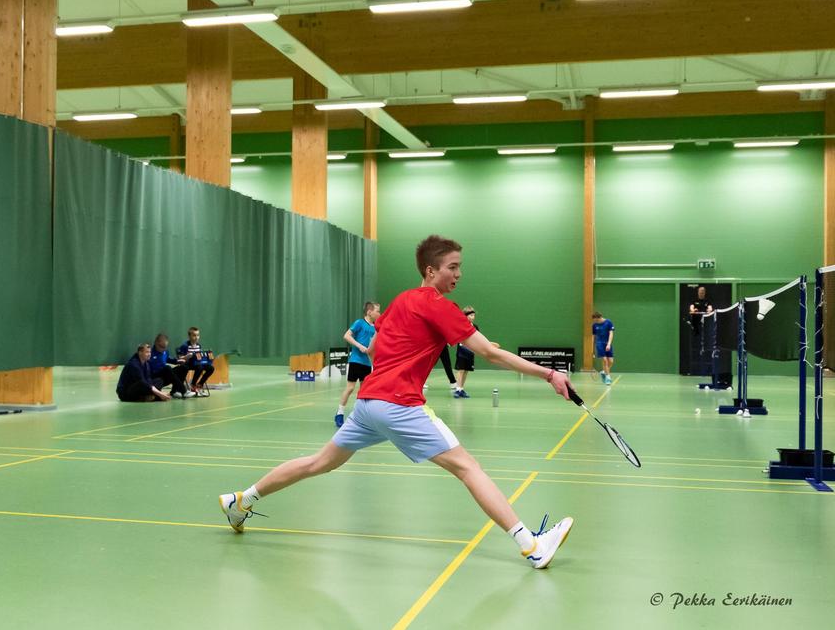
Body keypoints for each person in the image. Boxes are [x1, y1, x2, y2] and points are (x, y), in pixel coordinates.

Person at [219, 235, 576, 570]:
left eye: (460, 267)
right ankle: (532, 546)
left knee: (319, 463)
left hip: (369, 403)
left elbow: (375, 349)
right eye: (452, 267)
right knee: (468, 468)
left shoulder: (402, 300)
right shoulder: (440, 306)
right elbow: (489, 354)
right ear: (431, 271)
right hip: (400, 404)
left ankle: (241, 500)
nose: (458, 274)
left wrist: (405, 361)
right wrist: (549, 375)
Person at [334, 301, 380, 427]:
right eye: (377, 311)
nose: (379, 314)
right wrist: (359, 346)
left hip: (367, 364)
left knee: (364, 391)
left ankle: (360, 415)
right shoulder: (359, 323)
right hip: (356, 361)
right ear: (369, 312)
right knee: (350, 388)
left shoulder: (375, 328)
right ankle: (339, 413)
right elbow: (347, 336)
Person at [453, 306, 500, 398]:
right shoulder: (461, 325)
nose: (473, 317)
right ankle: (457, 389)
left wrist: (489, 344)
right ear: (465, 316)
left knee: (466, 371)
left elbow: (479, 339)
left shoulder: (475, 327)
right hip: (462, 351)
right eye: (471, 315)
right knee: (461, 370)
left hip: (470, 352)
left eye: (474, 315)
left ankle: (461, 389)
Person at [150, 333, 195, 398]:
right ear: (156, 343)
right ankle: (183, 391)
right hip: (156, 378)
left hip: (166, 375)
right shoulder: (150, 353)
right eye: (161, 347)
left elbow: (169, 359)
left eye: (165, 347)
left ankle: (174, 391)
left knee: (184, 367)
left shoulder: (165, 352)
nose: (163, 349)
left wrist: (178, 361)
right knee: (167, 368)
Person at [177, 327, 214, 397]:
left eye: (198, 335)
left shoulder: (198, 345)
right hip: (188, 364)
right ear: (189, 336)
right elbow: (179, 358)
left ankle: (200, 385)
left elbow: (199, 357)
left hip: (197, 363)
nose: (196, 337)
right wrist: (187, 356)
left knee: (211, 368)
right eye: (194, 335)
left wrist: (207, 357)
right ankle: (193, 385)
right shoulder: (185, 346)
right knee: (199, 367)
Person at [688, 286, 714, 375]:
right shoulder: (694, 301)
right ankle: (694, 369)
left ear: (704, 293)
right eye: (700, 292)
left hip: (706, 326)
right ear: (698, 292)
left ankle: (708, 369)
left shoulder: (708, 301)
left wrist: (709, 310)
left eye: (703, 292)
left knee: (707, 343)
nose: (701, 293)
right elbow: (691, 308)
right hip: (696, 326)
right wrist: (693, 310)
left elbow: (710, 308)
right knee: (696, 343)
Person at [591, 312, 615, 385]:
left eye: (596, 320)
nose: (595, 321)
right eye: (594, 320)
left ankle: (604, 372)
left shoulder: (608, 322)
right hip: (599, 344)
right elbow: (593, 337)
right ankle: (608, 377)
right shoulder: (594, 325)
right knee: (604, 360)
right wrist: (592, 348)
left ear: (600, 317)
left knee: (611, 361)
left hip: (607, 343)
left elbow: (611, 334)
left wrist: (609, 344)